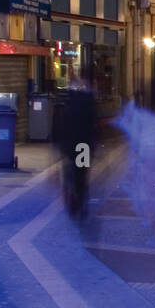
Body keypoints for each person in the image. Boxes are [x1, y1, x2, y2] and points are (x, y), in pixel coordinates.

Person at [55, 72, 97, 220]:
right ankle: (80, 202)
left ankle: (73, 202)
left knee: (69, 174)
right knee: (81, 176)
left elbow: (60, 126)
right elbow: (92, 127)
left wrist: (58, 146)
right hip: (83, 146)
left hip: (69, 146)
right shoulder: (88, 103)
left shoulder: (66, 102)